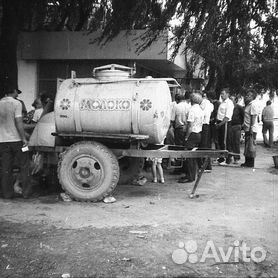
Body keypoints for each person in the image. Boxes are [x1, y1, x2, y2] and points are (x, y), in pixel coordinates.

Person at [0, 88, 32, 199]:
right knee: (25, 165)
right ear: (13, 91)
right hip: (17, 140)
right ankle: (26, 193)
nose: (17, 95)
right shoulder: (16, 103)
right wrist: (24, 139)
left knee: (6, 168)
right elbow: (19, 122)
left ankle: (7, 194)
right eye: (17, 92)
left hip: (2, 141)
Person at [178, 93, 204, 183]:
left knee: (189, 156)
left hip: (192, 134)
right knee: (193, 156)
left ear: (191, 100)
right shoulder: (200, 110)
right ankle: (192, 174)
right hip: (198, 133)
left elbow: (190, 125)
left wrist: (186, 137)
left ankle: (190, 176)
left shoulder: (192, 110)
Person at [216, 88, 234, 165]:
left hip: (225, 123)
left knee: (225, 141)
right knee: (220, 141)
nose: (222, 95)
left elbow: (227, 117)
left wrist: (220, 124)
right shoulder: (222, 102)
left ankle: (228, 159)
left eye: (223, 93)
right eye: (221, 94)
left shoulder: (229, 103)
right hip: (220, 122)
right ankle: (221, 158)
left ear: (227, 94)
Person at [241, 89, 258, 168]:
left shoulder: (253, 105)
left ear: (253, 97)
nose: (247, 96)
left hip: (251, 128)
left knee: (250, 146)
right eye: (247, 95)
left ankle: (250, 163)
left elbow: (253, 117)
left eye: (249, 95)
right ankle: (247, 161)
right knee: (247, 145)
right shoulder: (248, 104)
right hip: (247, 127)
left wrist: (251, 128)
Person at [199, 91, 214, 171]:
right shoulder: (210, 104)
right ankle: (207, 165)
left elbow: (202, 114)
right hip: (207, 125)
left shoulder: (203, 103)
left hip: (203, 125)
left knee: (203, 146)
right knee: (206, 146)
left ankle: (205, 166)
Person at [229, 95, 244, 164]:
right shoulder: (229, 107)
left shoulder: (239, 108)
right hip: (230, 126)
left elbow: (243, 117)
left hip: (237, 126)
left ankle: (236, 158)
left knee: (236, 142)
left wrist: (242, 126)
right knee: (230, 142)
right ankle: (230, 157)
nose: (230, 100)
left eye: (232, 99)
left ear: (235, 100)